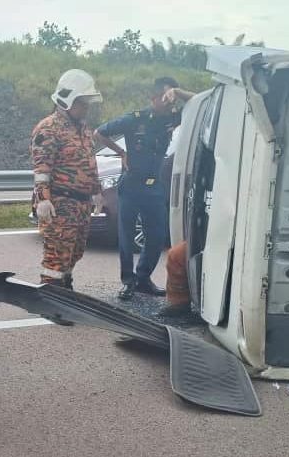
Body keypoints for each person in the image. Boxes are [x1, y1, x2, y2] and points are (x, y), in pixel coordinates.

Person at [95, 77, 192, 300]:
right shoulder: (134, 119)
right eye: (166, 97)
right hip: (131, 185)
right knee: (127, 237)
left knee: (157, 236)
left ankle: (143, 279)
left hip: (155, 187)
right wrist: (121, 153)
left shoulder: (173, 118)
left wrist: (178, 91)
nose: (169, 103)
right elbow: (99, 133)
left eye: (172, 99)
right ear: (154, 98)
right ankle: (128, 282)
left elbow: (198, 102)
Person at [30, 69, 103, 288]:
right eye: (82, 102)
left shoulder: (82, 129)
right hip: (60, 203)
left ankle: (65, 287)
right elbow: (42, 167)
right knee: (57, 255)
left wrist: (96, 191)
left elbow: (90, 162)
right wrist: (43, 198)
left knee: (75, 252)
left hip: (81, 204)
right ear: (68, 100)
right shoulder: (49, 128)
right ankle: (52, 298)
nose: (86, 107)